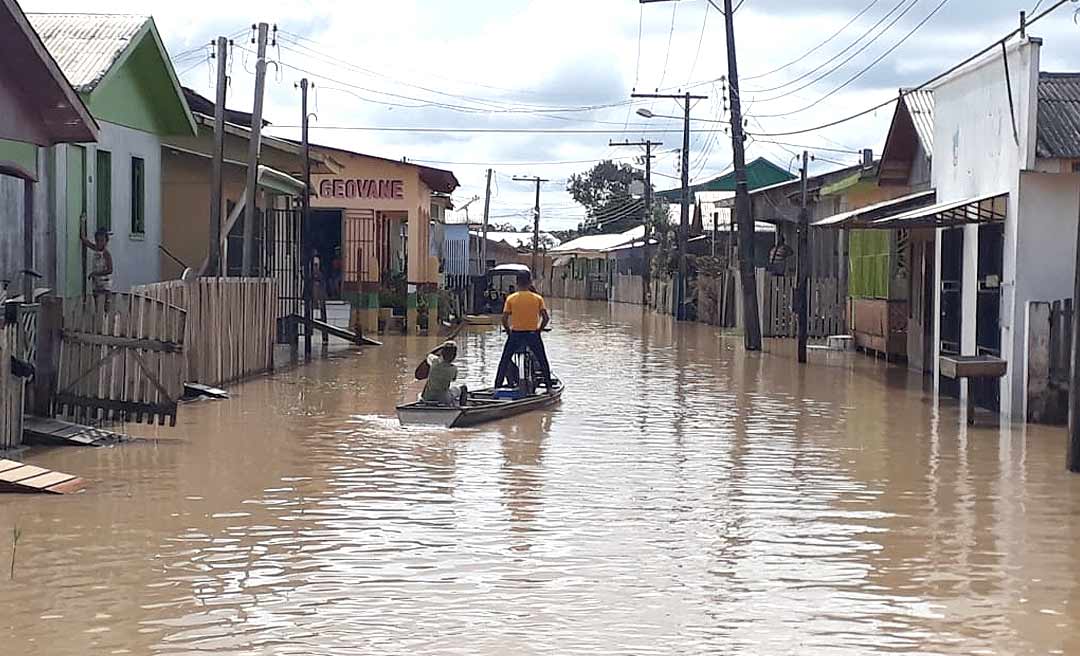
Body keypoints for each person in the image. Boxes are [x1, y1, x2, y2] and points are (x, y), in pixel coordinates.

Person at [494, 271, 553, 390]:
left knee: (505, 360)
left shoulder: (511, 298)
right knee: (542, 359)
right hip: (532, 334)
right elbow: (546, 318)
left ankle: (497, 386)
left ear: (517, 282)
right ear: (530, 282)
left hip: (516, 334)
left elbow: (504, 319)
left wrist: (508, 331)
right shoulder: (537, 298)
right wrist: (539, 330)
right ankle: (549, 387)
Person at [414, 341, 467, 406]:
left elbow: (429, 354)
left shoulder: (434, 362)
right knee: (463, 388)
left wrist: (441, 346)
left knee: (420, 394)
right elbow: (453, 379)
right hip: (443, 399)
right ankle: (463, 409)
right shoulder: (454, 369)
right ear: (454, 356)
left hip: (427, 397)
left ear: (442, 353)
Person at [80, 217, 112, 303]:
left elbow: (110, 270)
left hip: (105, 283)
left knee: (105, 303)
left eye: (102, 240)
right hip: (96, 283)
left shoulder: (106, 254)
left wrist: (95, 273)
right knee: (97, 303)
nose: (99, 243)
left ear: (106, 241)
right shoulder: (95, 248)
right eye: (97, 240)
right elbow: (84, 238)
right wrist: (82, 222)